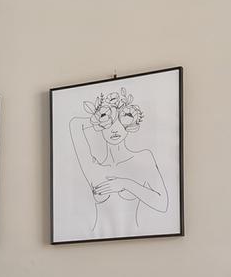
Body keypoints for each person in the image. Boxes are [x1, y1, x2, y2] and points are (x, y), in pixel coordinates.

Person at [69, 87, 167, 237]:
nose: (114, 129)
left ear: (128, 125)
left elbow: (163, 204)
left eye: (120, 122)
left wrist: (125, 184)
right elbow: (75, 124)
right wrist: (101, 116)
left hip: (137, 242)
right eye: (109, 124)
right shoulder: (94, 167)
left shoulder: (144, 158)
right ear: (100, 127)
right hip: (94, 242)